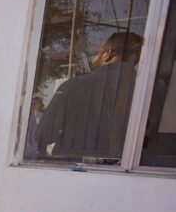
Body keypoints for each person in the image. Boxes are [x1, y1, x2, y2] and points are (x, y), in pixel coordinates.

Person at [36, 31, 142, 162]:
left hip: (70, 171)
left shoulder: (74, 86)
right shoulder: (148, 91)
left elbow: (42, 136)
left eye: (97, 51)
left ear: (108, 53)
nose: (94, 55)